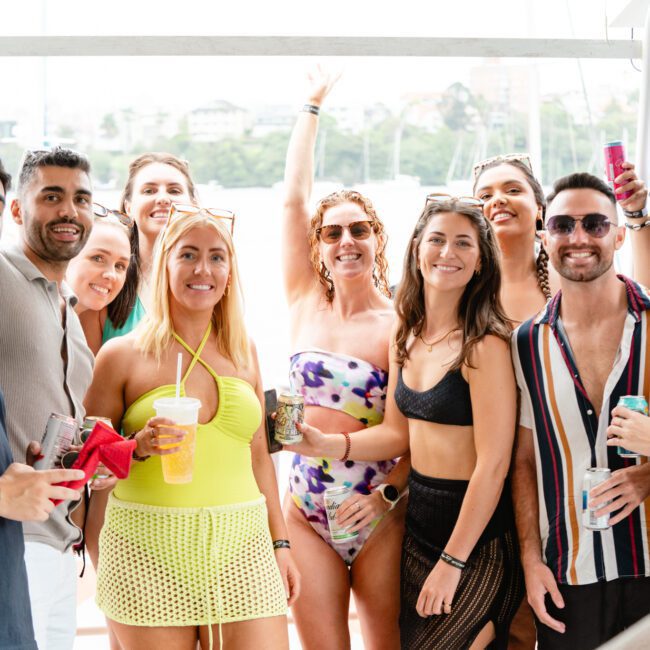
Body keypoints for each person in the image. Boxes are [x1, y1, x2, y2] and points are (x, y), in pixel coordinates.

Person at [290, 197, 524, 649]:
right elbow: (397, 435)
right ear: (416, 249)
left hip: (474, 533)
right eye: (436, 239)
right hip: (417, 526)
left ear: (480, 261)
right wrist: (326, 444)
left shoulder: (484, 345)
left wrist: (453, 562)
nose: (447, 253)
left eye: (463, 243)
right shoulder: (407, 335)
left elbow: (493, 465)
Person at [84, 205, 298, 649]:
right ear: (165, 263)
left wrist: (281, 546)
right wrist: (137, 446)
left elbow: (259, 458)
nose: (203, 269)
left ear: (230, 272)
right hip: (145, 551)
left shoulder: (245, 351)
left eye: (217, 257)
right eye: (188, 255)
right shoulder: (120, 356)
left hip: (242, 548)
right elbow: (88, 462)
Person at [472, 153, 648, 649]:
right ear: (544, 237)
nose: (578, 237)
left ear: (618, 234)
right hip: (568, 569)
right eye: (563, 225)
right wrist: (530, 558)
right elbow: (524, 460)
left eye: (595, 224)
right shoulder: (526, 342)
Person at [281, 69, 410, 649]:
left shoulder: (401, 323)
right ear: (318, 247)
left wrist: (372, 493)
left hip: (376, 505)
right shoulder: (304, 298)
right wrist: (310, 107)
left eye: (359, 229)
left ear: (378, 238)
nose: (345, 241)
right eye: (331, 234)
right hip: (304, 507)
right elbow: (292, 200)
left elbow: (402, 433)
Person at [0, 147, 95, 649]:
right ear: (17, 210)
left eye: (81, 199)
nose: (69, 212)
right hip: (12, 539)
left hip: (61, 544)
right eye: (51, 197)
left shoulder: (68, 308)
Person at [473, 155, 648, 326]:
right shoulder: (463, 283)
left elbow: (642, 305)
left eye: (513, 190)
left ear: (539, 209)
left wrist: (636, 213)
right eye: (485, 197)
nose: (498, 200)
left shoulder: (573, 273)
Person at [101, 152, 198, 342]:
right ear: (128, 207)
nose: (163, 198)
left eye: (174, 191)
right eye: (149, 191)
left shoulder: (211, 281)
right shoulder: (106, 280)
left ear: (193, 205)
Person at [66, 204, 135, 353]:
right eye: (98, 258)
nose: (111, 274)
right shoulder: (33, 320)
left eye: (120, 266)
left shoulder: (73, 328)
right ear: (66, 255)